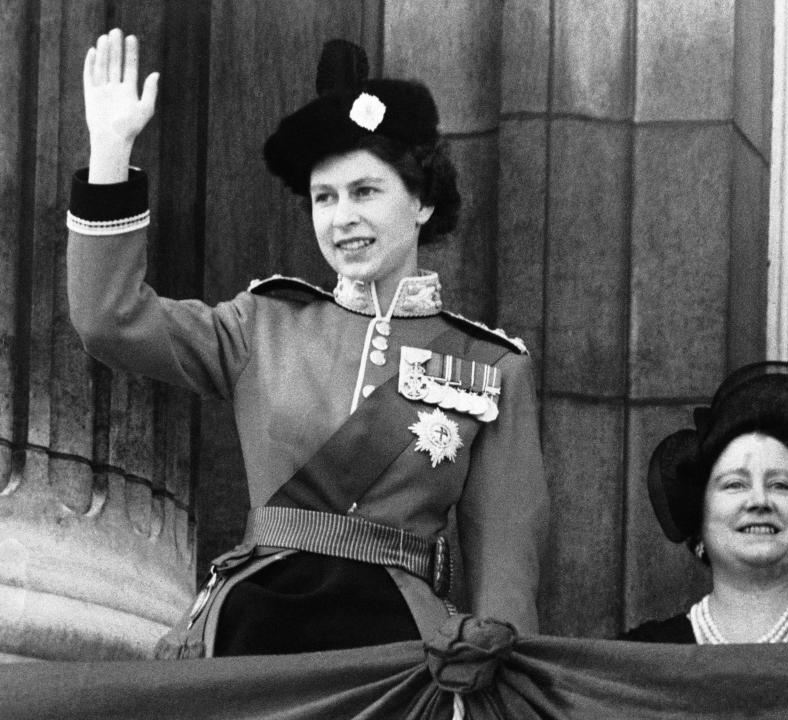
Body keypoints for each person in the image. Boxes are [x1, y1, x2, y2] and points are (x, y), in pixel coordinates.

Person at [66, 29, 548, 658]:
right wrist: (110, 151)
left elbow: (505, 561)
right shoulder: (260, 325)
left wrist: (498, 675)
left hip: (397, 656)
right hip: (254, 634)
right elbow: (109, 319)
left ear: (423, 201)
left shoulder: (491, 367)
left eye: (365, 192)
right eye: (325, 197)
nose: (341, 216)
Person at [620, 361, 788, 644]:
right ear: (700, 525)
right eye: (735, 484)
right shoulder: (641, 660)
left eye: (780, 485)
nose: (759, 501)